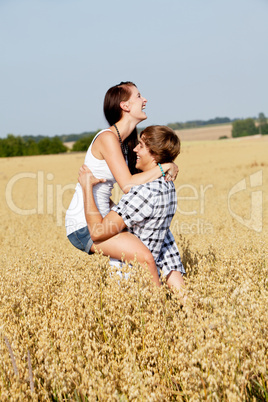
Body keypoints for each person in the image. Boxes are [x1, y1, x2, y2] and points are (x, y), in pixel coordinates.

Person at [65, 82, 179, 287]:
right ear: (125, 106)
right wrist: (165, 167)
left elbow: (140, 184)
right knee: (145, 258)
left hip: (106, 219)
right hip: (85, 225)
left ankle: (184, 301)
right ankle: (160, 312)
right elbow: (128, 185)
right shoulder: (107, 138)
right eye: (138, 96)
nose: (144, 100)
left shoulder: (126, 142)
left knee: (162, 246)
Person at [78, 125, 185, 291]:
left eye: (141, 146)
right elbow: (166, 246)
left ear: (155, 155)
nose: (135, 148)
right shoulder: (167, 186)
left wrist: (87, 188)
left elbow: (98, 231)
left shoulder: (144, 192)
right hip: (148, 276)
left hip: (129, 280)